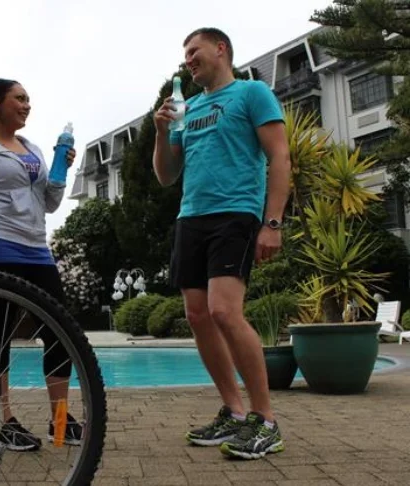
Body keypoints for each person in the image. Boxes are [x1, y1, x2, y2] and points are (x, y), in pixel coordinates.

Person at [152, 28, 291, 460]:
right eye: (185, 54)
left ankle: (265, 420)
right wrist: (161, 132)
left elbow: (279, 156)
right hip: (190, 217)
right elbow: (166, 176)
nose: (188, 60)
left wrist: (272, 223)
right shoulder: (188, 108)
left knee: (224, 311)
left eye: (194, 51)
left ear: (220, 49)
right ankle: (233, 410)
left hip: (235, 213)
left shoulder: (251, 93)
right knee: (197, 316)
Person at [0, 78, 82, 452]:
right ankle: (2, 420)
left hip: (36, 250)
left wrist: (60, 171)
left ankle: (61, 422)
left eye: (28, 99)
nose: (27, 105)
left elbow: (48, 203)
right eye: (19, 98)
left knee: (61, 333)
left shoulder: (33, 149)